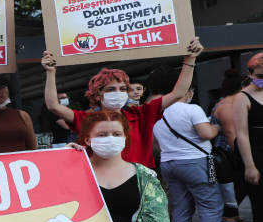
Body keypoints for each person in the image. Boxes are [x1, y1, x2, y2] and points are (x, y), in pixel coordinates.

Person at [43, 37, 204, 169]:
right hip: (98, 181)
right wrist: (51, 73)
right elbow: (53, 105)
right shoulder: (85, 119)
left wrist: (189, 60)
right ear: (98, 95)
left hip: (138, 179)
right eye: (111, 89)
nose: (118, 93)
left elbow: (178, 93)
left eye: (122, 89)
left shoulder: (141, 114)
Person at [153, 88, 243, 222]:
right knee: (211, 205)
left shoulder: (157, 114)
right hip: (195, 162)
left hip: (168, 163)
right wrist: (215, 126)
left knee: (181, 206)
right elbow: (206, 133)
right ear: (186, 90)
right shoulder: (191, 109)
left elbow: (156, 143)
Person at [211, 69, 252, 222]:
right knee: (239, 184)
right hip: (230, 151)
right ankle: (226, 216)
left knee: (239, 184)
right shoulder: (227, 106)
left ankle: (234, 214)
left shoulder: (229, 103)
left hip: (232, 150)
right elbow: (230, 134)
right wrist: (242, 155)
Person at [232, 52, 263, 222]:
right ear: (250, 74)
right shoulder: (242, 97)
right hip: (257, 152)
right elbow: (241, 134)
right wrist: (249, 165)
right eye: (260, 75)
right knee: (260, 200)